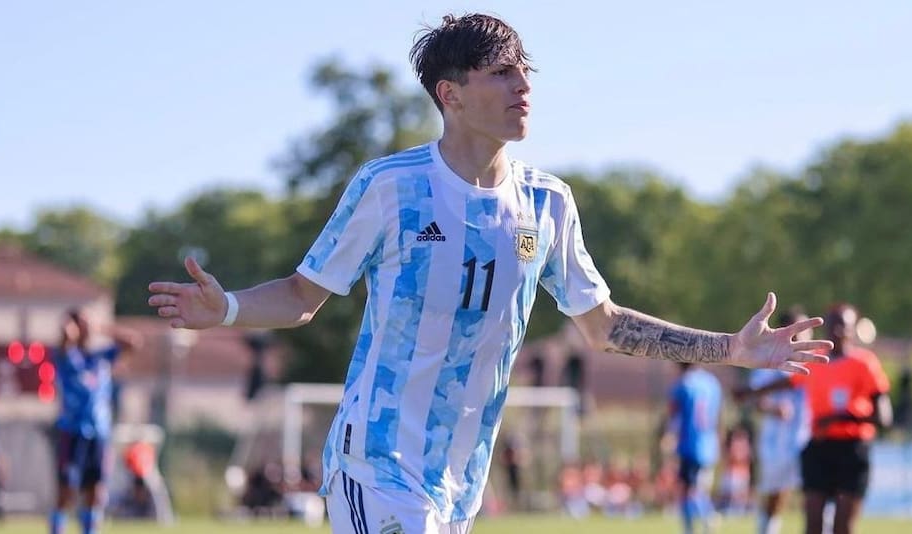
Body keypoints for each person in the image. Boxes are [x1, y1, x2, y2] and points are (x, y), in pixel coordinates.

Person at [146, 13, 829, 534]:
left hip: (461, 479)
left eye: (526, 71)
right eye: (503, 72)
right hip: (375, 461)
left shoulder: (547, 203)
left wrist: (729, 350)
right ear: (451, 93)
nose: (524, 87)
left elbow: (603, 325)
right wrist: (229, 309)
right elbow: (302, 296)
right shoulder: (390, 188)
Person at [736, 303, 890, 534]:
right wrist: (751, 392)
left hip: (853, 449)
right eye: (832, 324)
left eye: (843, 325)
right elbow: (789, 382)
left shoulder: (865, 363)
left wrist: (841, 417)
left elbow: (884, 417)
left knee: (842, 526)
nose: (837, 331)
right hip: (819, 446)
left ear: (853, 328)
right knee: (813, 524)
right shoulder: (817, 361)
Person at [50, 309, 141, 534]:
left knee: (96, 491)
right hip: (72, 432)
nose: (86, 328)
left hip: (99, 433)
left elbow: (134, 343)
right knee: (67, 490)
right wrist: (70, 330)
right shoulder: (67, 355)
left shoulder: (102, 356)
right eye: (82, 324)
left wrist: (102, 328)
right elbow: (63, 341)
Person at [748, 307, 812, 534]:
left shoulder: (814, 363)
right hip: (776, 444)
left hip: (807, 440)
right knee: (777, 495)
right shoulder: (769, 361)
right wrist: (774, 409)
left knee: (815, 494)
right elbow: (753, 398)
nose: (806, 336)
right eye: (800, 330)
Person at [663, 363, 722, 534]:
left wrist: (669, 435)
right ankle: (704, 519)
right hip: (709, 443)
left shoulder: (683, 384)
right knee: (694, 487)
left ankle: (705, 519)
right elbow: (717, 414)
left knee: (689, 489)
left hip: (690, 444)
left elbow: (675, 414)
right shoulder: (712, 382)